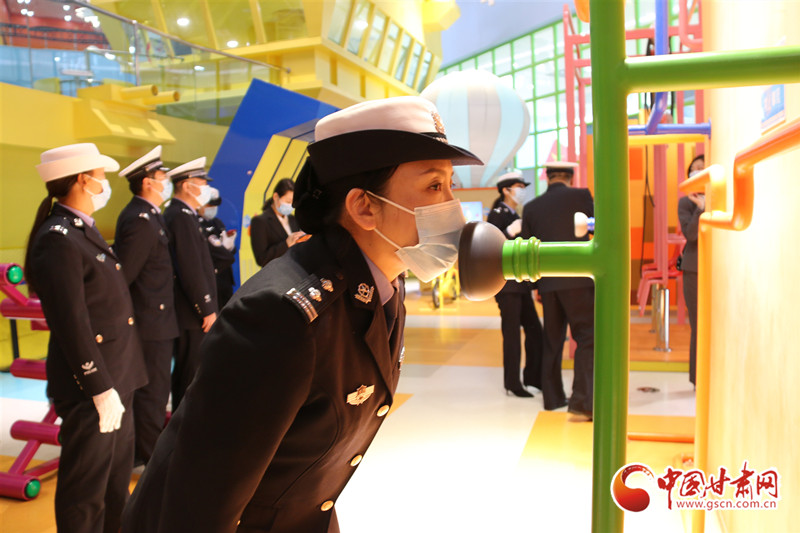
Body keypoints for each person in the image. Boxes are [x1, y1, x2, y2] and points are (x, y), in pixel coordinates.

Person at [121, 95, 482, 533]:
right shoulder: (282, 316)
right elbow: (201, 500)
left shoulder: (386, 284)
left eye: (450, 185)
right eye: (434, 187)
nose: (452, 206)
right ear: (364, 207)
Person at [25, 143, 147, 533]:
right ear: (83, 180)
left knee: (114, 485)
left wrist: (117, 383)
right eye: (101, 177)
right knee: (85, 491)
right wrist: (99, 387)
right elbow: (71, 322)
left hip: (119, 376)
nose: (104, 184)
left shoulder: (81, 230)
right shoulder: (57, 237)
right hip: (92, 386)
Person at [114, 145, 179, 466]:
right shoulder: (139, 219)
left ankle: (146, 451)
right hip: (149, 320)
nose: (166, 181)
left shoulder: (150, 215)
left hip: (158, 319)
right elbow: (125, 274)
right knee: (152, 392)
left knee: (156, 389)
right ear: (147, 182)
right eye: (161, 176)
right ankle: (149, 456)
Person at [521, 161, 595, 422]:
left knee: (552, 339)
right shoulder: (582, 196)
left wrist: (536, 286)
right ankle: (582, 400)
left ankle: (553, 398)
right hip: (579, 281)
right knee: (587, 337)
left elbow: (528, 249)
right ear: (571, 177)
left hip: (549, 283)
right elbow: (596, 230)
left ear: (547, 177)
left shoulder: (531, 207)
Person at [163, 157, 217, 411]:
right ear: (186, 186)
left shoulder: (187, 215)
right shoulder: (180, 216)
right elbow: (190, 267)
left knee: (194, 372)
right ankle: (182, 427)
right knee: (188, 374)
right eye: (201, 183)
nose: (206, 188)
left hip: (192, 310)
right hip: (190, 311)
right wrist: (205, 308)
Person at [486, 171, 543, 397]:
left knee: (534, 331)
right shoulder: (498, 214)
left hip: (520, 284)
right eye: (518, 186)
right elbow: (491, 245)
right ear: (506, 190)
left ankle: (533, 378)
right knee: (512, 335)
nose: (522, 190)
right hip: (507, 286)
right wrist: (508, 232)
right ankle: (513, 383)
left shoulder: (513, 213)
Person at [678, 154, 705, 387]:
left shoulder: (721, 197)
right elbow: (691, 234)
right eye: (695, 169)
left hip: (718, 268)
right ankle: (698, 379)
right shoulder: (685, 203)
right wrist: (701, 208)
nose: (698, 172)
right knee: (698, 324)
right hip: (694, 269)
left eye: (703, 168)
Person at [249, 177, 304, 267]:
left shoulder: (293, 219)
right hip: (276, 272)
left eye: (293, 202)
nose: (290, 205)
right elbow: (261, 259)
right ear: (275, 197)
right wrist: (286, 244)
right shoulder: (260, 222)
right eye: (288, 201)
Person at [198, 186, 237, 308]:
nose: (212, 208)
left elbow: (229, 253)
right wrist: (222, 250)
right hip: (211, 279)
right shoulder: (196, 224)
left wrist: (230, 246)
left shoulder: (217, 222)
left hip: (225, 280)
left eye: (215, 205)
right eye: (209, 205)